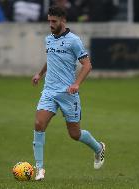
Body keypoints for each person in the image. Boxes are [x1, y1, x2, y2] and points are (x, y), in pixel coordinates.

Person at [31, 6, 106, 181]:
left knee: (75, 134)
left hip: (67, 93)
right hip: (49, 91)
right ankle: (39, 169)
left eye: (53, 21)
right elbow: (51, 58)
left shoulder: (74, 41)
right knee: (38, 124)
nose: (50, 24)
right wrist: (39, 74)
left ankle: (98, 148)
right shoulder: (48, 39)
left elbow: (87, 65)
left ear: (63, 21)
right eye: (49, 21)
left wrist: (76, 84)